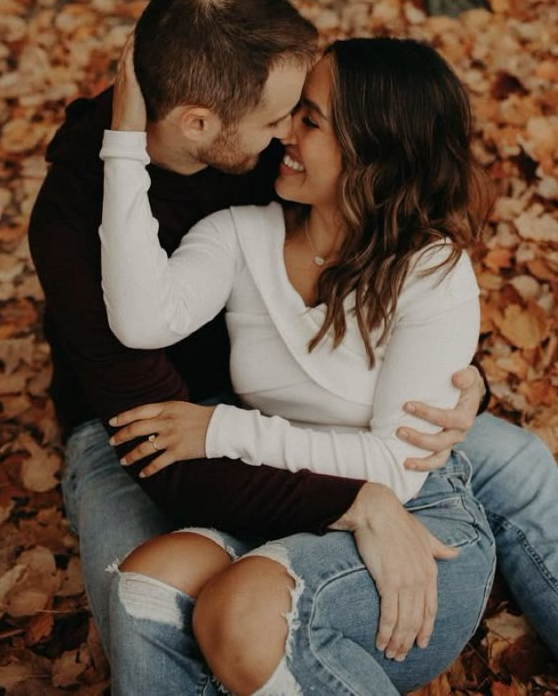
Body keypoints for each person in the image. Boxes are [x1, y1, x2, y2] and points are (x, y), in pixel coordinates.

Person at [29, 0, 558, 696]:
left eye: (304, 117)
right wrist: (353, 499)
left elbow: (397, 277)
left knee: (515, 462)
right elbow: (173, 443)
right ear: (200, 124)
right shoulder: (88, 217)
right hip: (158, 430)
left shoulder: (279, 156)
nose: (285, 137)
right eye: (283, 119)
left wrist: (459, 381)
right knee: (141, 595)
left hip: (310, 424)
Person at [100, 34, 497, 694]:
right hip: (285, 506)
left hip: (419, 532)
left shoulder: (432, 272)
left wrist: (221, 431)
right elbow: (141, 319)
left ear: (372, 148)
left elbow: (391, 470)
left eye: (309, 120)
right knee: (148, 579)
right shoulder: (240, 235)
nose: (284, 130)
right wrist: (123, 143)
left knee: (242, 607)